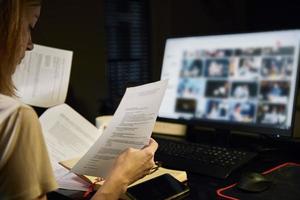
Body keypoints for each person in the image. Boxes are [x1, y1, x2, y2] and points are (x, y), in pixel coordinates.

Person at [0, 0, 158, 199]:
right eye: (28, 28)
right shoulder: (15, 118)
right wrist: (121, 178)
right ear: (6, 30)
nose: (30, 44)